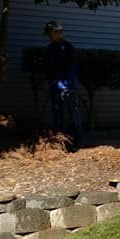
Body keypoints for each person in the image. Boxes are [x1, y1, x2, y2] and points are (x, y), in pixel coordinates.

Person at [44, 21, 83, 150]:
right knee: (58, 116)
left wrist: (66, 86)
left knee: (73, 115)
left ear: (57, 33)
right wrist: (52, 83)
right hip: (55, 86)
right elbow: (50, 69)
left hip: (68, 86)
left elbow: (70, 68)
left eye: (51, 33)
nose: (49, 36)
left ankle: (76, 143)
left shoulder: (67, 48)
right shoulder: (50, 49)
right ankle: (60, 144)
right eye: (48, 34)